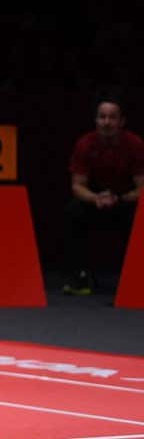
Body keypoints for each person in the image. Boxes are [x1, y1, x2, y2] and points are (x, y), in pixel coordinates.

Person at [62, 90, 144, 295]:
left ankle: (137, 277)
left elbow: (142, 187)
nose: (107, 122)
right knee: (73, 211)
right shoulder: (84, 144)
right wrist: (96, 198)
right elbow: (77, 186)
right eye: (102, 117)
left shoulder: (135, 145)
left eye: (112, 117)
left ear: (122, 121)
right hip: (95, 200)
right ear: (96, 120)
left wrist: (121, 198)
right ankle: (80, 277)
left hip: (125, 200)